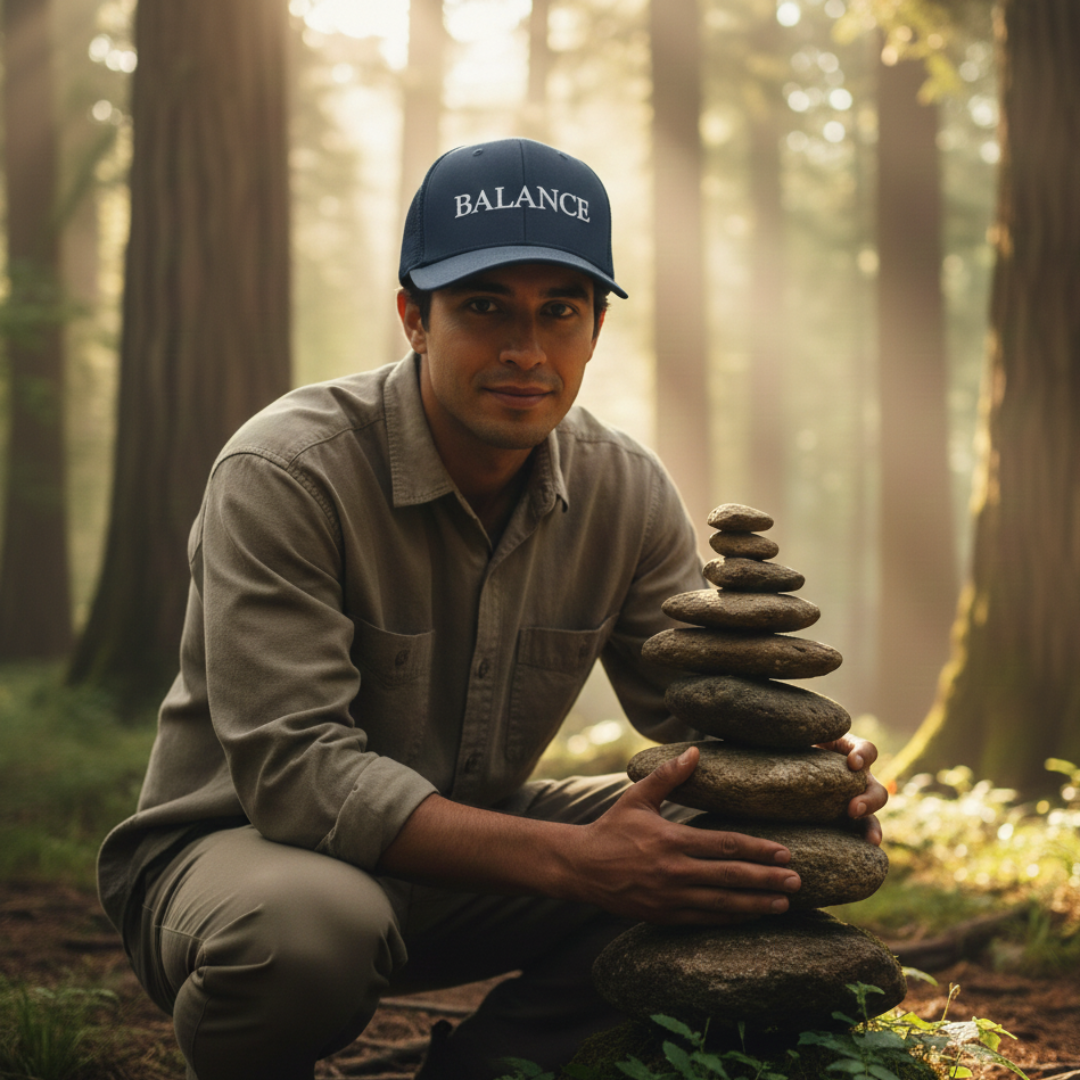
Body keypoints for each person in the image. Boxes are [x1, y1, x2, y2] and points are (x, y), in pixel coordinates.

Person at [98, 137, 887, 1080]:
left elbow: (701, 719)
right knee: (310, 934)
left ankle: (492, 1070)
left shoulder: (624, 488)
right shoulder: (286, 472)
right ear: (414, 318)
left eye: (560, 311)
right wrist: (576, 862)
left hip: (469, 860)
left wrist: (810, 777)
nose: (525, 349)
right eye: (484, 307)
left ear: (596, 328)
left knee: (752, 847)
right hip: (243, 860)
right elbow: (297, 775)